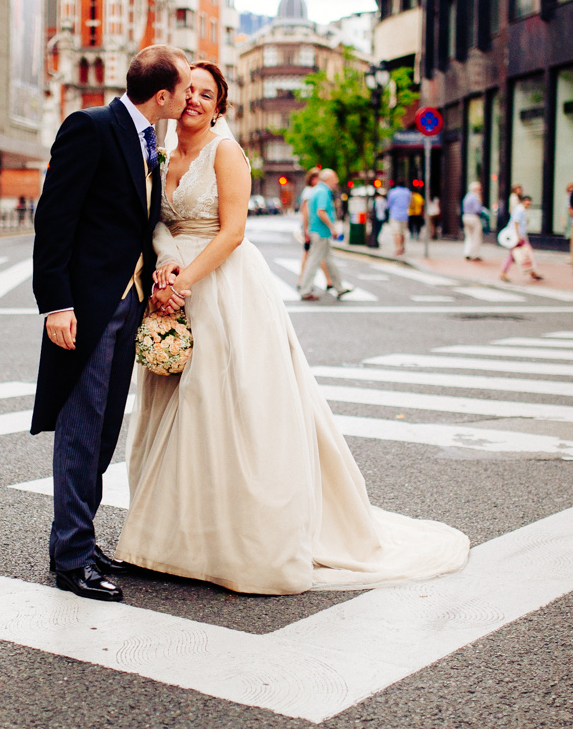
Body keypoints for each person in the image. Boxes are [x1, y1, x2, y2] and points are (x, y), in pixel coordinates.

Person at [123, 63, 469, 594]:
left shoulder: (226, 152)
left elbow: (234, 231)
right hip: (175, 286)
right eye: (188, 89)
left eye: (206, 94)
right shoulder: (165, 154)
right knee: (173, 402)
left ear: (220, 107)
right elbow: (160, 221)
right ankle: (170, 539)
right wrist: (166, 264)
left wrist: (183, 281)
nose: (193, 99)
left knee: (223, 404)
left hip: (223, 289)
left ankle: (234, 539)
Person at [30, 44, 190, 603]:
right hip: (88, 305)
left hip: (130, 302)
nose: (191, 96)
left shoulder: (153, 143)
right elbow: (53, 218)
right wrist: (56, 304)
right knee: (80, 427)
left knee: (102, 430)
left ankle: (78, 538)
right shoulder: (90, 126)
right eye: (185, 88)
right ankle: (71, 558)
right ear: (162, 94)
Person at [296, 169, 351, 300]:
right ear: (327, 179)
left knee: (328, 260)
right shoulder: (323, 191)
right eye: (334, 178)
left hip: (318, 231)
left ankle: (339, 287)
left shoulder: (317, 190)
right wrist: (332, 228)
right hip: (320, 232)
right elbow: (321, 211)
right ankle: (305, 290)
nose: (336, 181)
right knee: (314, 261)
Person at [500, 194, 543, 281]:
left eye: (529, 204)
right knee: (525, 252)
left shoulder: (521, 209)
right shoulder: (520, 210)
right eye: (527, 204)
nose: (528, 205)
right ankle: (503, 273)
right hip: (517, 236)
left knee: (522, 253)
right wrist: (518, 236)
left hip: (518, 236)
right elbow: (516, 222)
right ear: (523, 202)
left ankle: (532, 272)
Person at [386, 180, 411, 256]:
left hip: (394, 214)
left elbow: (389, 204)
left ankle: (398, 248)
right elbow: (409, 202)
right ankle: (402, 247)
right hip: (404, 215)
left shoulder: (392, 192)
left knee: (396, 232)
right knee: (403, 232)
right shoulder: (407, 192)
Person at [461, 181, 485, 260]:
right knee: (476, 236)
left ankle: (467, 252)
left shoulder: (467, 196)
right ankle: (475, 254)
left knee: (468, 236)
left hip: (466, 216)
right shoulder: (475, 197)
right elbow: (477, 209)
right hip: (473, 217)